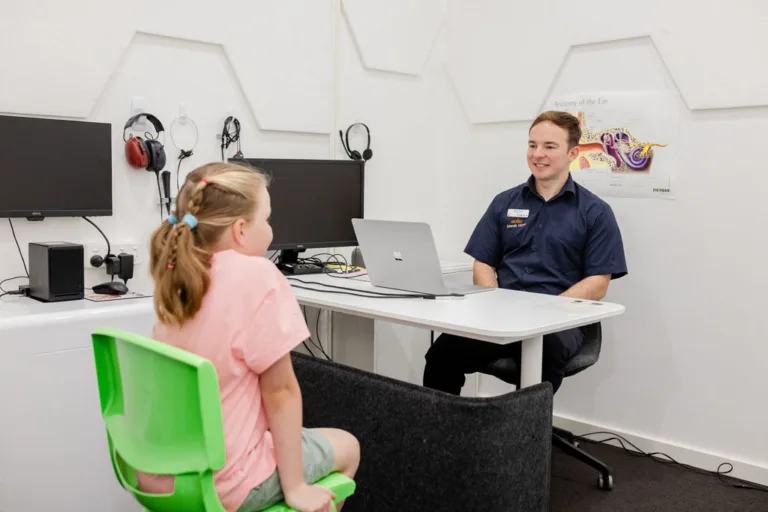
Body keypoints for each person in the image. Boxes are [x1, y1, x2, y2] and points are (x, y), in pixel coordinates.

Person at [138, 162, 360, 512]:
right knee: (347, 446)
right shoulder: (258, 275)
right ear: (241, 230)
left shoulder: (182, 277)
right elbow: (281, 392)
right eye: (267, 220)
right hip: (225, 483)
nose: (271, 230)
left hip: (156, 474)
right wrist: (296, 486)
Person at [423, 111, 628, 395]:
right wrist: (495, 303)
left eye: (549, 146)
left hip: (558, 320)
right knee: (442, 354)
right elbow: (483, 262)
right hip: (501, 315)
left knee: (542, 364)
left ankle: (523, 436)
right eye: (532, 145)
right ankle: (442, 436)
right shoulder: (504, 202)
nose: (537, 154)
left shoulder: (595, 212)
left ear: (573, 153)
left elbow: (598, 283)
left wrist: (545, 313)